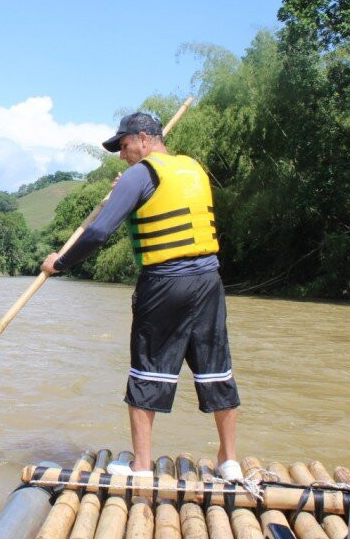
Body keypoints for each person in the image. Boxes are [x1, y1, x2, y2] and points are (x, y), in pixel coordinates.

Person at [40, 112, 241, 481]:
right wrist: (128, 187)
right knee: (216, 367)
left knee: (148, 368)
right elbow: (162, 199)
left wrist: (61, 262)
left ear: (144, 139)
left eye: (124, 145)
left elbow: (100, 232)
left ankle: (142, 466)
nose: (121, 154)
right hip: (209, 280)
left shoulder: (140, 174)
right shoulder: (193, 168)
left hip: (166, 283)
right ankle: (229, 461)